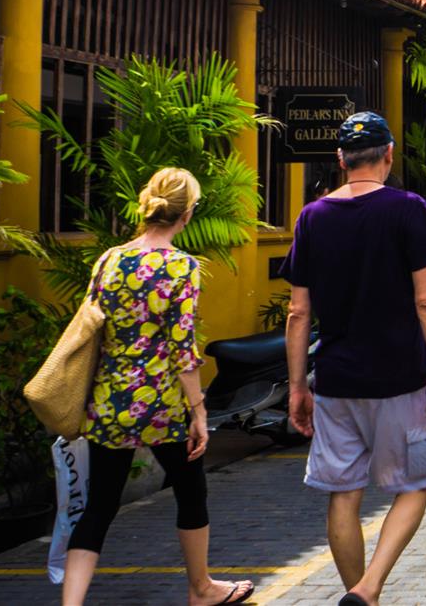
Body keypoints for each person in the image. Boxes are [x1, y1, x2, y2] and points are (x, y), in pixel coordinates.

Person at [285, 111, 426, 606]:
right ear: (389, 155)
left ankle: (360, 597)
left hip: (335, 380)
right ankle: (370, 586)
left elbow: (299, 312)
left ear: (340, 159)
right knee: (418, 483)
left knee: (344, 492)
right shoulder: (409, 210)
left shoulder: (312, 216)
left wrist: (297, 386)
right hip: (400, 376)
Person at [62, 168, 251, 606]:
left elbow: (91, 328)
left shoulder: (109, 260)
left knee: (100, 505)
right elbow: (182, 348)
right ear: (187, 215)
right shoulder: (181, 267)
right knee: (190, 490)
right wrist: (199, 410)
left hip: (111, 404)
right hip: (162, 408)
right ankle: (201, 589)